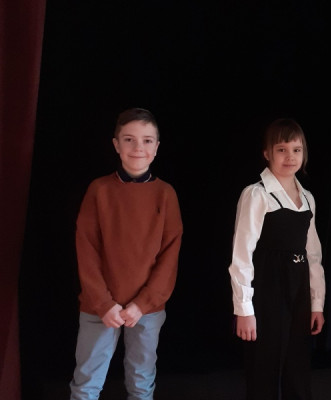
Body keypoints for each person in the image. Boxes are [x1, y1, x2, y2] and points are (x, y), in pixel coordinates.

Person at [69, 108, 183, 400]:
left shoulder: (166, 194)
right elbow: (87, 249)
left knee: (141, 383)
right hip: (99, 307)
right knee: (86, 383)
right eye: (129, 139)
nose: (138, 147)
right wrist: (103, 303)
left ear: (156, 147)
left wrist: (142, 304)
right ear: (116, 144)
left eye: (147, 140)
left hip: (146, 310)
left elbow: (169, 257)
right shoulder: (99, 190)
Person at [228, 118, 326, 400]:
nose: (290, 157)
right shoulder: (257, 194)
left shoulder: (307, 198)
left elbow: (313, 255)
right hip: (268, 287)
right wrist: (244, 309)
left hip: (299, 289)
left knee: (297, 366)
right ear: (267, 153)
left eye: (296, 150)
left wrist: (316, 304)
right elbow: (242, 255)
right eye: (281, 149)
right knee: (264, 366)